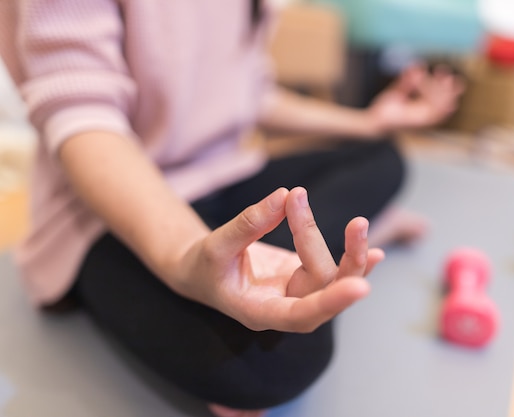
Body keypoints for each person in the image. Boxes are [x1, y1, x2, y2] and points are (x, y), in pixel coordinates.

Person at [0, 1, 463, 416]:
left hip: (225, 175)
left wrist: (368, 122)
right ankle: (294, 260)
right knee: (273, 362)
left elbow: (247, 96)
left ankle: (279, 264)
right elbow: (85, 118)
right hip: (109, 210)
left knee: (380, 154)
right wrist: (187, 255)